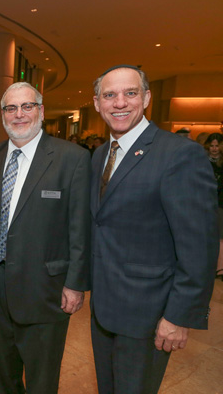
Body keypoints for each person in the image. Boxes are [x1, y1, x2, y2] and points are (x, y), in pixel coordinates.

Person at [90, 65, 218, 394]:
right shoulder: (100, 155)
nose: (120, 103)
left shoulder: (180, 154)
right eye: (109, 95)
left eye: (130, 93)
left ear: (146, 98)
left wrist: (179, 316)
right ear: (97, 104)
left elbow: (199, 246)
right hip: (104, 309)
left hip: (148, 313)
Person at [0, 82, 91, 393]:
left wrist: (75, 283)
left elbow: (80, 228)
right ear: (2, 115)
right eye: (11, 108)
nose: (19, 114)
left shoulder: (72, 158)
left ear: (41, 111)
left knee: (41, 382)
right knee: (1, 379)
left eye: (27, 106)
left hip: (45, 290)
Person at [204, 133, 223, 280]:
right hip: (204, 203)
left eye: (217, 146)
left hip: (221, 204)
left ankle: (220, 269)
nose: (214, 149)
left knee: (220, 236)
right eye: (212, 146)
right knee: (206, 235)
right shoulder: (201, 161)